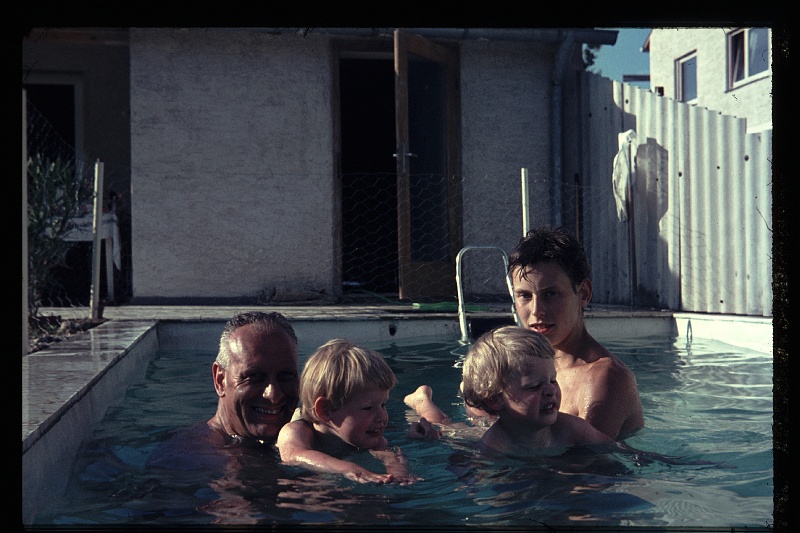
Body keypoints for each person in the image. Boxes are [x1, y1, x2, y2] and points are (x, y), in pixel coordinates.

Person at [407, 226, 644, 441]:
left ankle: (423, 403)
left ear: (583, 294)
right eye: (524, 296)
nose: (536, 311)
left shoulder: (605, 378)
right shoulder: (516, 360)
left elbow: (582, 464)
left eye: (550, 294)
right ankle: (423, 403)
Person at [277, 339, 432, 484]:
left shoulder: (373, 438)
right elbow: (294, 455)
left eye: (383, 404)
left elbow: (392, 457)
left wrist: (399, 475)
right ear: (326, 410)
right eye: (368, 408)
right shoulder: (296, 431)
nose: (382, 416)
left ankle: (423, 401)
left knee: (434, 426)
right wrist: (351, 469)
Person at [462, 326, 614, 457]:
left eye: (553, 380)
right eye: (534, 386)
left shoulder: (570, 428)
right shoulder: (494, 447)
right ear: (494, 400)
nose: (551, 390)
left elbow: (616, 452)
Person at [207, 311, 301, 446]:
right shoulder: (195, 452)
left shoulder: (305, 442)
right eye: (255, 376)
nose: (273, 395)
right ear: (220, 380)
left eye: (286, 375)